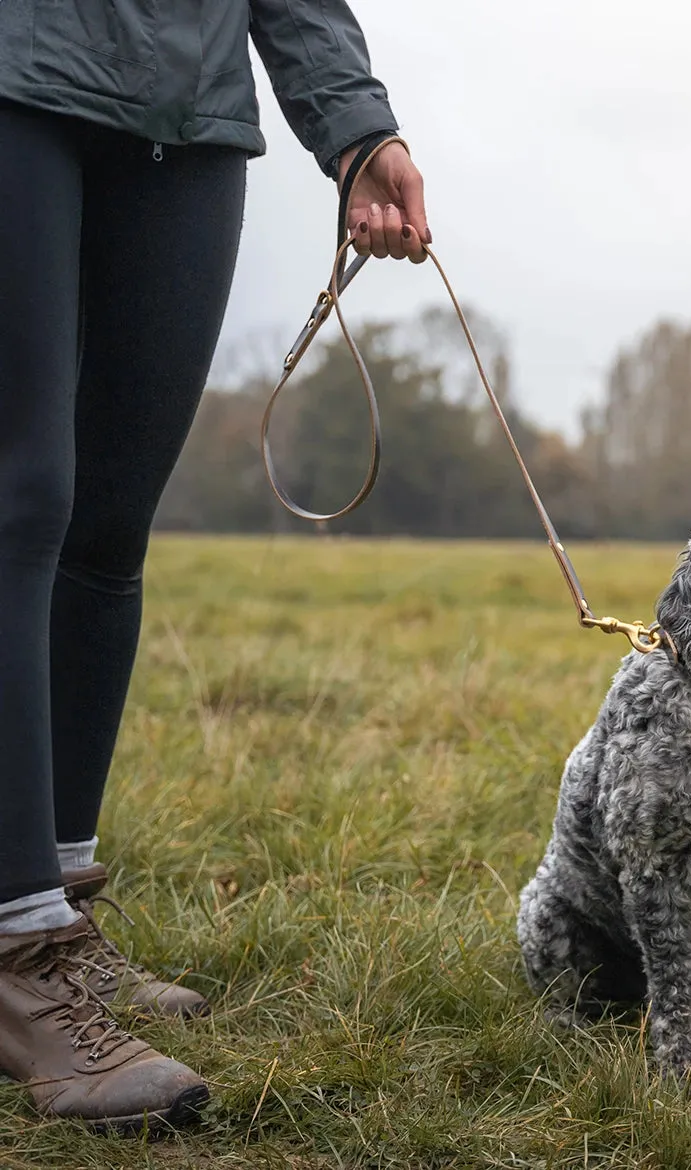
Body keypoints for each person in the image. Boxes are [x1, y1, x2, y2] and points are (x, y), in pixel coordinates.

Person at [0, 0, 428, 1134]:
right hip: (17, 76)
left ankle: (63, 907)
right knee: (20, 496)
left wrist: (353, 127)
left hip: (188, 114)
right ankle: (16, 947)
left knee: (106, 522)